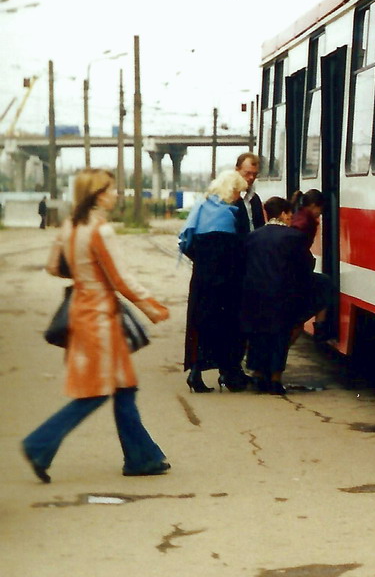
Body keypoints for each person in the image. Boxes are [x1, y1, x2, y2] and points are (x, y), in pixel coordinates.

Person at [22, 169, 170, 482]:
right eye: (112, 189)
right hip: (101, 317)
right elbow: (120, 278)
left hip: (82, 310)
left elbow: (53, 267)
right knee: (99, 390)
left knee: (122, 386)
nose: (116, 194)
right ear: (98, 194)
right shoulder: (100, 230)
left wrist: (84, 275)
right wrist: (152, 306)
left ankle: (143, 457)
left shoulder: (70, 226)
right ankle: (39, 444)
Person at [178, 169, 250, 392]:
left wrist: (202, 262)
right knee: (228, 326)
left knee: (201, 325)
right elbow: (242, 244)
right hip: (227, 280)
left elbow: (186, 244)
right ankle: (228, 373)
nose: (240, 196)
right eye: (239, 191)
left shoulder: (202, 205)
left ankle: (195, 373)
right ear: (232, 189)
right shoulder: (233, 211)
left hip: (202, 279)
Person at [241, 196, 315, 395]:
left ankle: (257, 375)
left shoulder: (253, 237)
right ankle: (274, 379)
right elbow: (306, 265)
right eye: (290, 214)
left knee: (258, 335)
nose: (291, 218)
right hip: (282, 295)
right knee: (279, 337)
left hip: (254, 295)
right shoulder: (295, 237)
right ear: (283, 214)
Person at [290, 189, 336, 339]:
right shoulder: (304, 222)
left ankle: (320, 326)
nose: (320, 214)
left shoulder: (300, 216)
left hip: (297, 269)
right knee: (326, 285)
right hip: (297, 272)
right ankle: (320, 327)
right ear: (314, 206)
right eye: (320, 210)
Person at [233, 152, 265, 234]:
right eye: (248, 173)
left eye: (255, 174)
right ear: (237, 170)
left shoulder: (255, 198)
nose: (251, 177)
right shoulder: (230, 197)